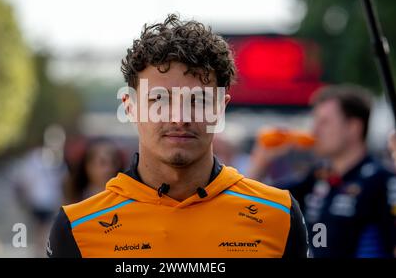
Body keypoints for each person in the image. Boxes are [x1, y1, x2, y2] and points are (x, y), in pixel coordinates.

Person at [47, 14, 308, 258]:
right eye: (160, 99)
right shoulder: (77, 229)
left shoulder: (279, 215)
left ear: (220, 109)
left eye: (198, 100)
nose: (180, 117)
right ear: (130, 107)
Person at [250, 85, 396, 258]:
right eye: (316, 121)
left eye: (324, 122)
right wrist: (261, 162)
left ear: (353, 127)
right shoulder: (317, 177)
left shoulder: (382, 181)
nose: (315, 130)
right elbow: (255, 208)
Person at [63, 137, 125, 204]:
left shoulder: (123, 198)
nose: (109, 169)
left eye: (113, 162)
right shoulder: (74, 200)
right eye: (102, 163)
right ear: (87, 165)